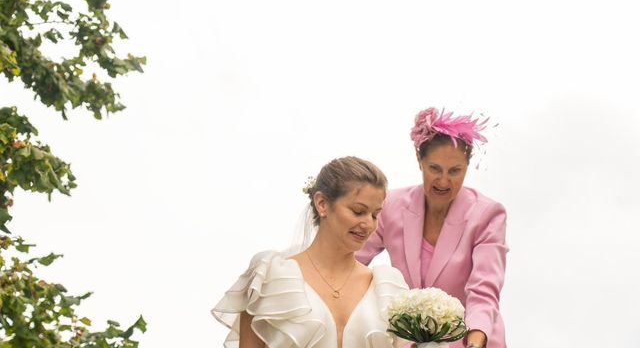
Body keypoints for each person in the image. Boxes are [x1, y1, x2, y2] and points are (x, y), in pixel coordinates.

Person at [212, 156, 409, 348]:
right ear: (322, 203)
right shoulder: (270, 278)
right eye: (358, 211)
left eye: (375, 215)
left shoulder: (387, 287)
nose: (368, 224)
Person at [356, 108, 508, 348]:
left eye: (455, 171)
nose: (444, 181)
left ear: (467, 166)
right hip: (408, 342)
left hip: (471, 338)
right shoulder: (390, 205)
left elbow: (483, 291)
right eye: (435, 169)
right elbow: (352, 260)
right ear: (419, 159)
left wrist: (476, 342)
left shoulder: (488, 215)